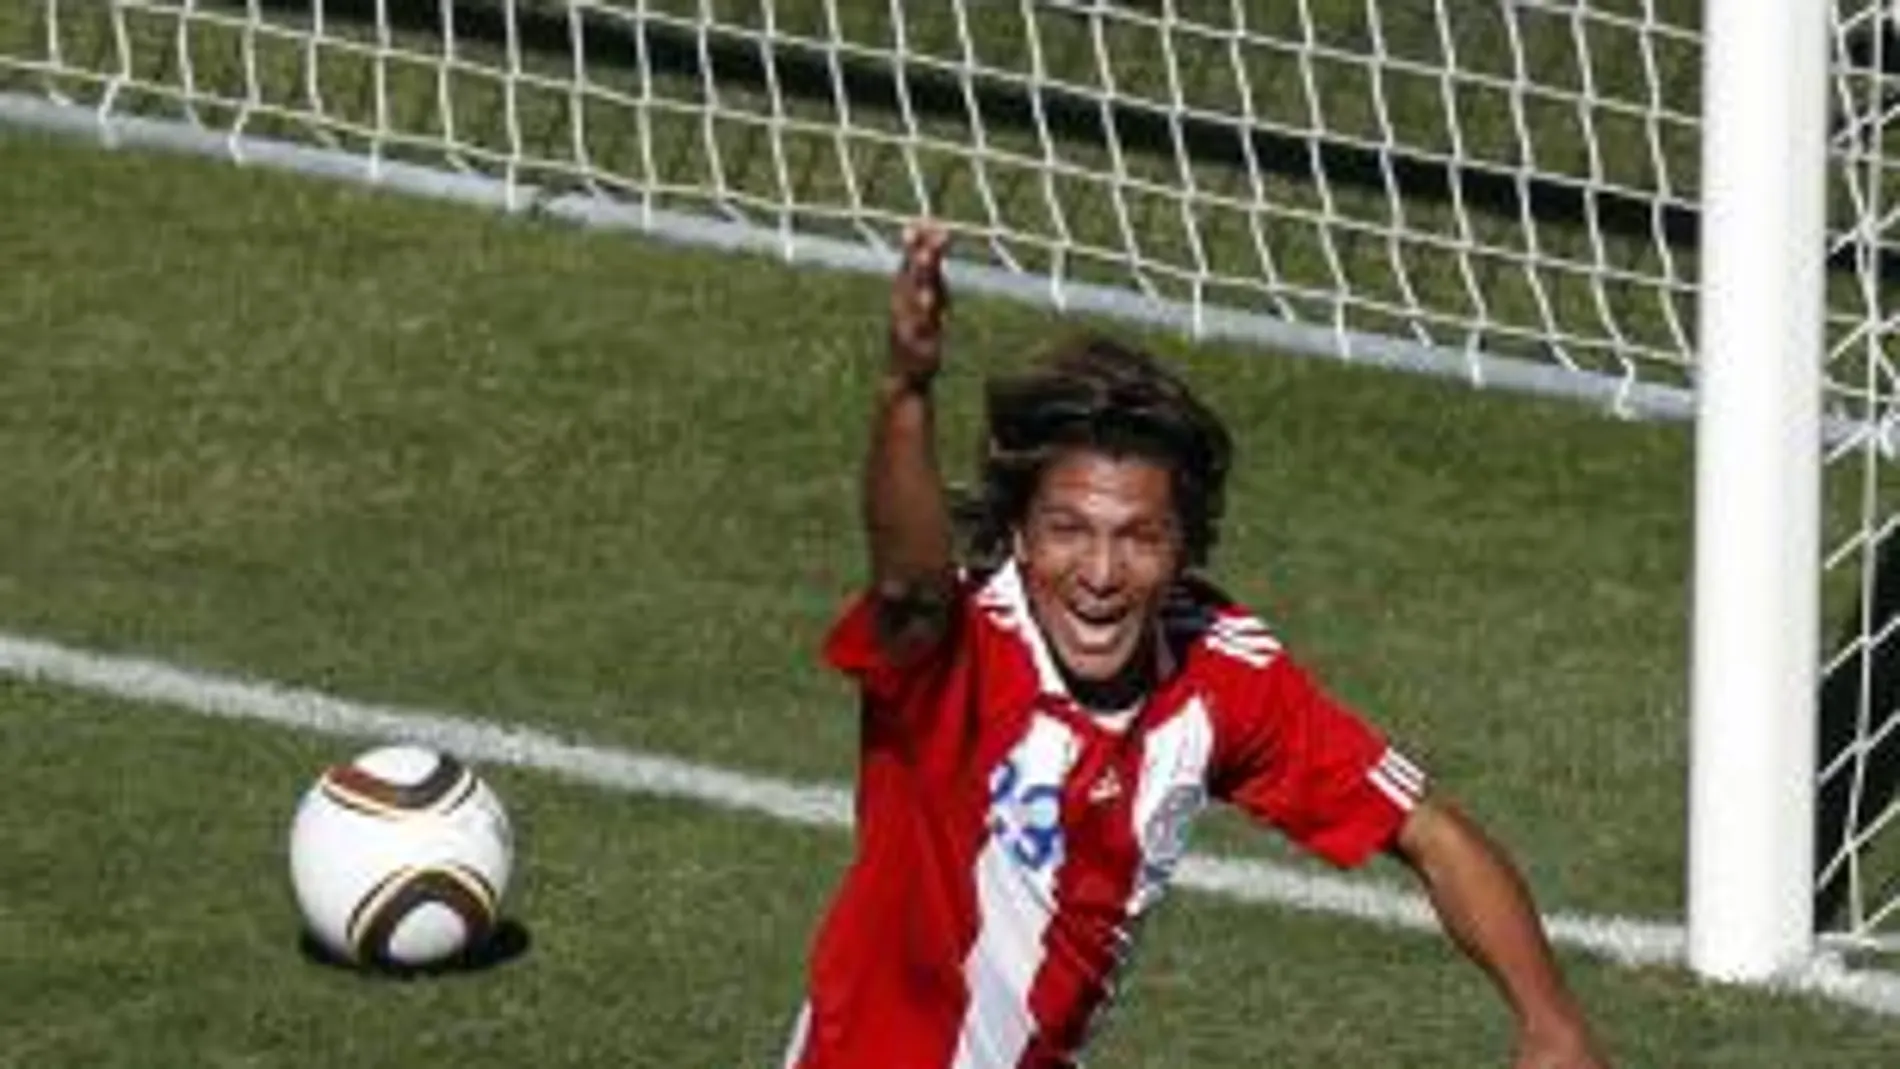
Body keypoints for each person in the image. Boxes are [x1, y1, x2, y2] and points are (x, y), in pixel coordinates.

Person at [781, 221, 1609, 1069]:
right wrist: (905, 389)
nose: (1100, 572)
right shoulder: (957, 654)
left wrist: (1552, 1022)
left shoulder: (1221, 673)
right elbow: (907, 588)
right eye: (1069, 530)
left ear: (1185, 550)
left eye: (1140, 537)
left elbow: (1428, 831)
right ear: (1021, 538)